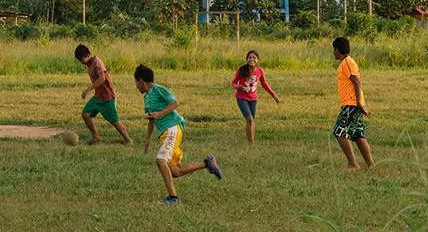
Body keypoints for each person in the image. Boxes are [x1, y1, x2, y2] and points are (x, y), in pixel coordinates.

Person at [134, 64, 220, 204]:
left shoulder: (159, 89)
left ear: (141, 80)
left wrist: (160, 114)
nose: (136, 86)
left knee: (161, 160)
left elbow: (175, 103)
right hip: (164, 133)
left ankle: (173, 198)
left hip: (172, 127)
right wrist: (147, 139)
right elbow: (151, 119)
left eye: (136, 83)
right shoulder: (146, 98)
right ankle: (207, 163)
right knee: (174, 172)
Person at [76, 44, 131, 145]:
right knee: (85, 114)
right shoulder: (88, 64)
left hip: (108, 98)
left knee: (114, 121)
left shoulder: (97, 62)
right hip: (98, 96)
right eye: (79, 60)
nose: (81, 62)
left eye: (82, 59)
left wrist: (88, 89)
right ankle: (96, 136)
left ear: (88, 55)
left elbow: (102, 79)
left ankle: (128, 140)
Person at [331, 37, 373, 171]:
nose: (333, 52)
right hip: (354, 103)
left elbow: (356, 82)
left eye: (334, 49)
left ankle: (353, 163)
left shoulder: (347, 62)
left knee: (339, 132)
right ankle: (371, 164)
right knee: (358, 135)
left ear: (337, 49)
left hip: (351, 104)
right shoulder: (348, 62)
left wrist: (359, 103)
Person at [231, 49, 280, 145]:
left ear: (258, 60)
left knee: (252, 121)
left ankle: (251, 141)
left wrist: (274, 95)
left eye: (254, 58)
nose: (251, 59)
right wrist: (237, 87)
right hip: (241, 98)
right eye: (249, 57)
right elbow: (233, 82)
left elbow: (264, 84)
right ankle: (251, 144)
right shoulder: (241, 70)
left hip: (253, 99)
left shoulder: (260, 71)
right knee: (249, 119)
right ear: (247, 59)